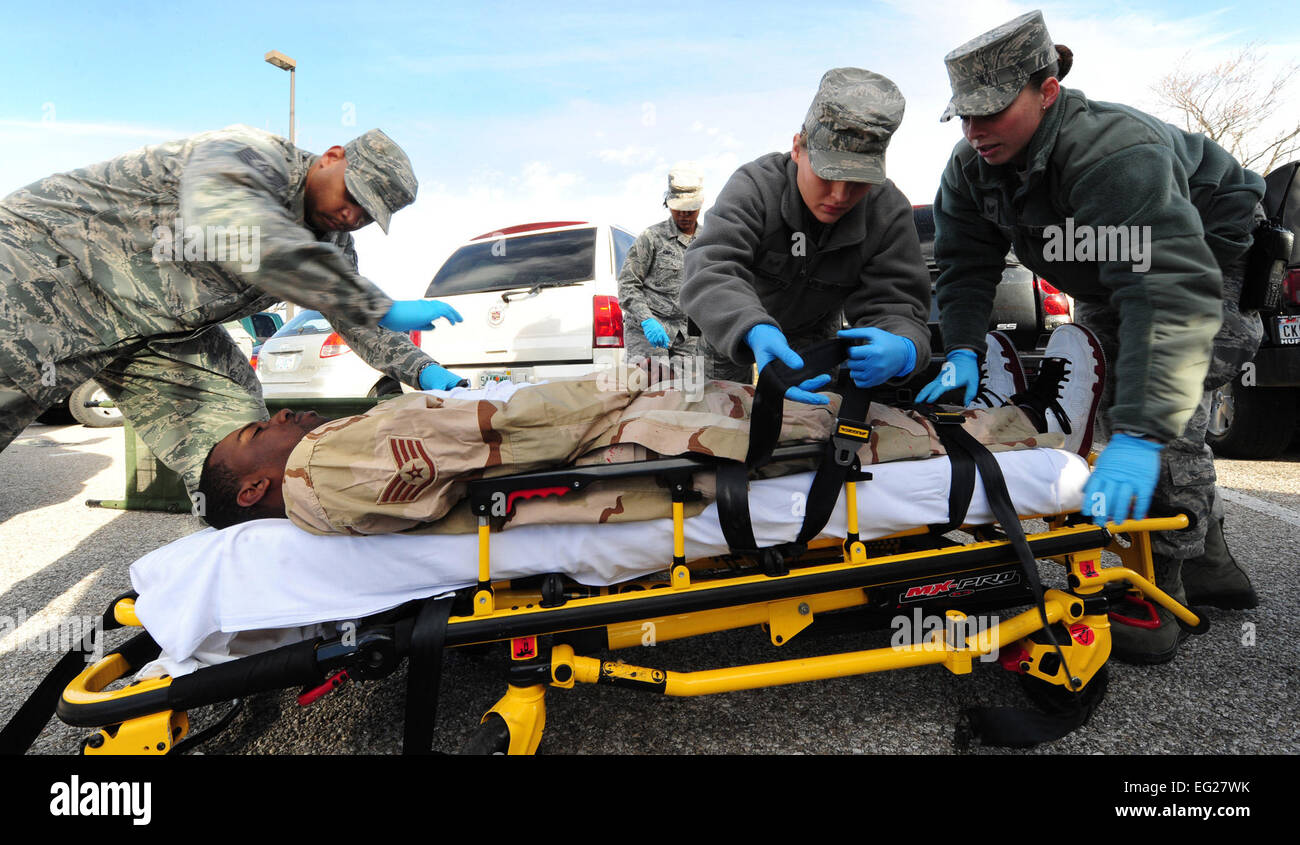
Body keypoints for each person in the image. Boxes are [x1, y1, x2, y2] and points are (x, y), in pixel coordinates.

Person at [917, 10, 1265, 663]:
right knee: (1117, 397)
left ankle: (1158, 596)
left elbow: (1168, 296)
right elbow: (966, 267)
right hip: (1115, 277)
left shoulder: (1113, 152)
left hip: (1206, 262)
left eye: (991, 111)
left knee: (1160, 415)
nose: (974, 129)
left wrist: (1139, 434)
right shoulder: (972, 167)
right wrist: (962, 347)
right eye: (963, 115)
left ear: (1047, 91)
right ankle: (1213, 561)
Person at [196, 335, 1096, 536]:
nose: (278, 416)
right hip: (627, 447)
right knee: (836, 433)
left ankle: (995, 420)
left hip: (615, 436)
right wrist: (633, 375)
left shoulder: (325, 463)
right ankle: (1035, 444)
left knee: (822, 415)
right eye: (254, 432)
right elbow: (515, 432)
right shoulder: (328, 464)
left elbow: (482, 431)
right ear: (251, 488)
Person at [0, 125, 467, 494]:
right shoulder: (247, 153)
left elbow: (356, 319)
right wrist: (374, 303)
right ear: (331, 156)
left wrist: (423, 371)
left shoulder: (333, 246)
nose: (352, 216)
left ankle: (241, 551)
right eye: (354, 197)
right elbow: (242, 231)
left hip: (152, 332)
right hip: (45, 270)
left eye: (368, 215)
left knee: (246, 442)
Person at [680, 68, 931, 404]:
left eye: (858, 181)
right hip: (731, 328)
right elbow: (711, 265)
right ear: (798, 148)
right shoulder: (756, 186)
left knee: (810, 428)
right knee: (716, 421)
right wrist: (752, 328)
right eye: (827, 176)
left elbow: (897, 304)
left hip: (813, 339)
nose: (840, 196)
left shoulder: (886, 211)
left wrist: (905, 347)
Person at [617, 168, 704, 370]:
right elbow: (627, 285)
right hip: (647, 332)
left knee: (688, 394)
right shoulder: (651, 238)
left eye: (689, 210)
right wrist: (647, 320)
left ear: (700, 206)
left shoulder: (708, 241)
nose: (684, 215)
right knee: (647, 391)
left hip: (688, 336)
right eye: (678, 209)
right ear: (668, 204)